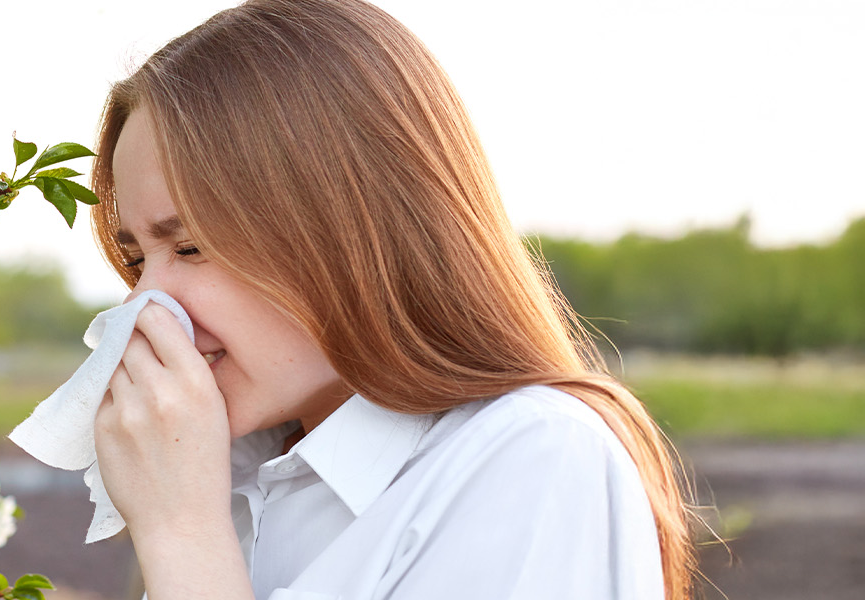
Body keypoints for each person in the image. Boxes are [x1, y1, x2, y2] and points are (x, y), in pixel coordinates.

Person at [85, 1, 697, 598]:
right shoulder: (229, 477)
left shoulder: (533, 459)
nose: (145, 305)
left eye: (189, 248)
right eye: (136, 260)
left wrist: (182, 537)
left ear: (352, 230)